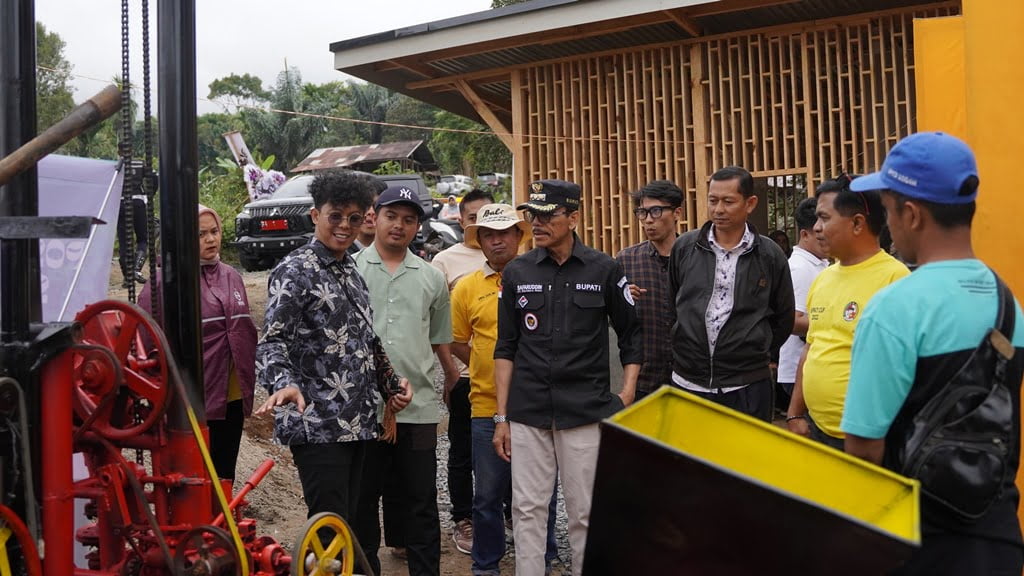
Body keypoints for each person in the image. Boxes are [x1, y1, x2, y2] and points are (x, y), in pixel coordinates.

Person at [842, 132, 1024, 575]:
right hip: (997, 535)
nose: (888, 225)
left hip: (917, 542)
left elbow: (863, 450)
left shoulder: (894, 307)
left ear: (911, 213)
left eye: (886, 211)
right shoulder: (1008, 302)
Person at [493, 179, 641, 576]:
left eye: (547, 215)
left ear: (573, 217)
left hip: (584, 411)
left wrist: (626, 393)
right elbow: (505, 347)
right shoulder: (517, 272)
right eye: (532, 215)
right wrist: (502, 417)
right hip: (528, 412)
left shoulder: (605, 269)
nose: (536, 223)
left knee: (586, 511)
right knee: (527, 511)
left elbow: (632, 335)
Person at [254, 170, 412, 534]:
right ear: (315, 216)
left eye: (355, 218)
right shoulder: (295, 270)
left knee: (350, 523)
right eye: (335, 216)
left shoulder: (350, 270)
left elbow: (365, 340)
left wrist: (392, 383)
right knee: (330, 526)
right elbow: (273, 340)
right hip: (317, 424)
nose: (345, 226)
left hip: (357, 422)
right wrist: (283, 383)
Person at [354, 183, 459, 576]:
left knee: (421, 499)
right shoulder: (351, 270)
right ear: (374, 217)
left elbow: (437, 339)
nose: (399, 225)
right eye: (391, 216)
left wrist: (451, 379)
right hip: (362, 410)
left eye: (409, 219)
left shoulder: (431, 278)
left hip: (417, 410)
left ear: (418, 227)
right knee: (364, 499)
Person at [452, 203, 559, 575]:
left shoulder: (542, 277)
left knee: (539, 493)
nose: (498, 241)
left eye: (505, 233)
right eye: (489, 235)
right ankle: (486, 565)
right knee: (487, 494)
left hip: (535, 404)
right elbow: (458, 341)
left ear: (518, 236)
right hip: (484, 405)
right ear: (479, 240)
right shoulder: (466, 287)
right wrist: (487, 367)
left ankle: (543, 559)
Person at [785, 176, 909, 449]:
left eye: (824, 218)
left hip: (869, 441)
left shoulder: (895, 279)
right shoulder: (824, 278)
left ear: (857, 223)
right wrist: (794, 412)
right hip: (816, 430)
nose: (816, 228)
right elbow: (811, 349)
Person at [139, 204, 257, 484]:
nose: (211, 239)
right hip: (192, 399)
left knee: (224, 471)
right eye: (201, 234)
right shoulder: (163, 282)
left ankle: (222, 524)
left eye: (214, 231)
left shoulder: (232, 276)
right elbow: (145, 339)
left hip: (232, 395)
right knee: (193, 479)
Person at [668, 166, 795, 422]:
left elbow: (784, 317)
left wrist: (757, 350)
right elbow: (674, 304)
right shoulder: (685, 247)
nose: (718, 209)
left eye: (728, 201)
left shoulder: (769, 255)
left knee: (743, 459)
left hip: (746, 384)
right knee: (690, 459)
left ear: (750, 203)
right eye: (713, 200)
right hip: (689, 380)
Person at [430, 187, 494, 555]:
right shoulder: (445, 261)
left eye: (488, 216)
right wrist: (454, 372)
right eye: (473, 218)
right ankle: (463, 518)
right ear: (462, 220)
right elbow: (441, 326)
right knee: (463, 452)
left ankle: (504, 513)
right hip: (467, 378)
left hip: (510, 380)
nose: (481, 225)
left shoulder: (514, 257)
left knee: (509, 447)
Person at [615, 180, 683, 401]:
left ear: (677, 213)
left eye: (656, 211)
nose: (648, 220)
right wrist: (621, 301)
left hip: (690, 376)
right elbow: (613, 320)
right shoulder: (626, 260)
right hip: (645, 378)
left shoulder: (697, 257)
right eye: (642, 213)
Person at [775, 196, 829, 414]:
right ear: (805, 234)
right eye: (819, 235)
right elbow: (793, 320)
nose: (825, 238)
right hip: (799, 369)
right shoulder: (799, 268)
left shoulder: (820, 263)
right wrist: (834, 322)